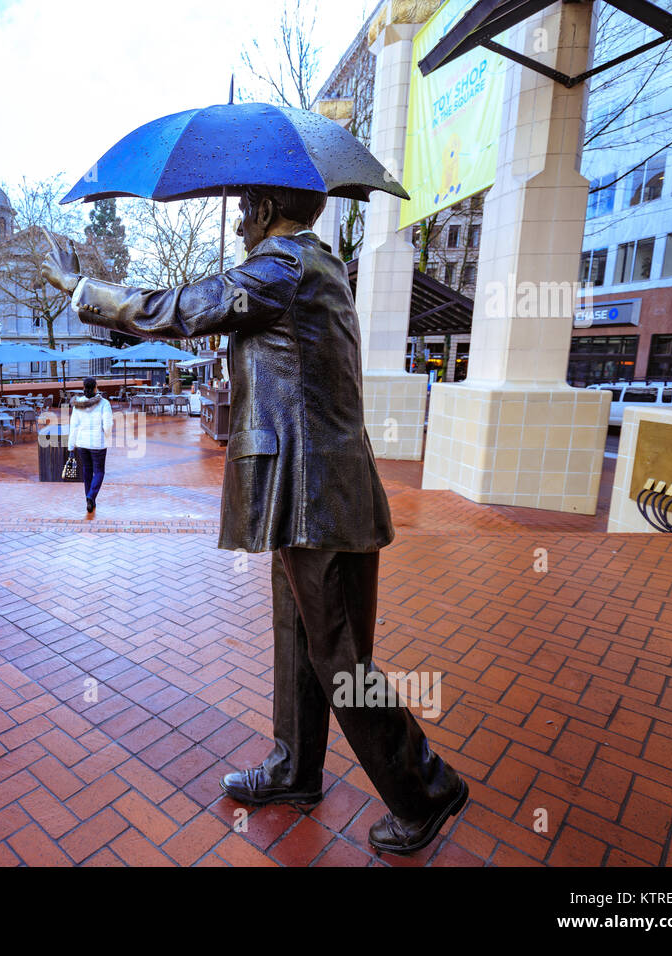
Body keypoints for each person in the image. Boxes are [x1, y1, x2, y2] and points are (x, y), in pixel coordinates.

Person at [41, 184, 468, 855]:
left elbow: (174, 309)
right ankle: (296, 769)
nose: (240, 220)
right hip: (308, 490)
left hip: (317, 495)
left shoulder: (281, 269)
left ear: (267, 211)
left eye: (244, 208)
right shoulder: (313, 266)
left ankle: (426, 788)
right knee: (298, 636)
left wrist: (81, 287)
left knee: (339, 658)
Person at [68, 376, 113, 513]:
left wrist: (71, 447)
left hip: (82, 443)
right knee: (99, 471)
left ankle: (89, 499)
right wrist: (106, 435)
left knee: (87, 471)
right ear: (95, 387)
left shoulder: (78, 404)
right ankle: (91, 496)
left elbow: (73, 426)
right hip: (98, 444)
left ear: (83, 387)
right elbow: (108, 425)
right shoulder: (104, 403)